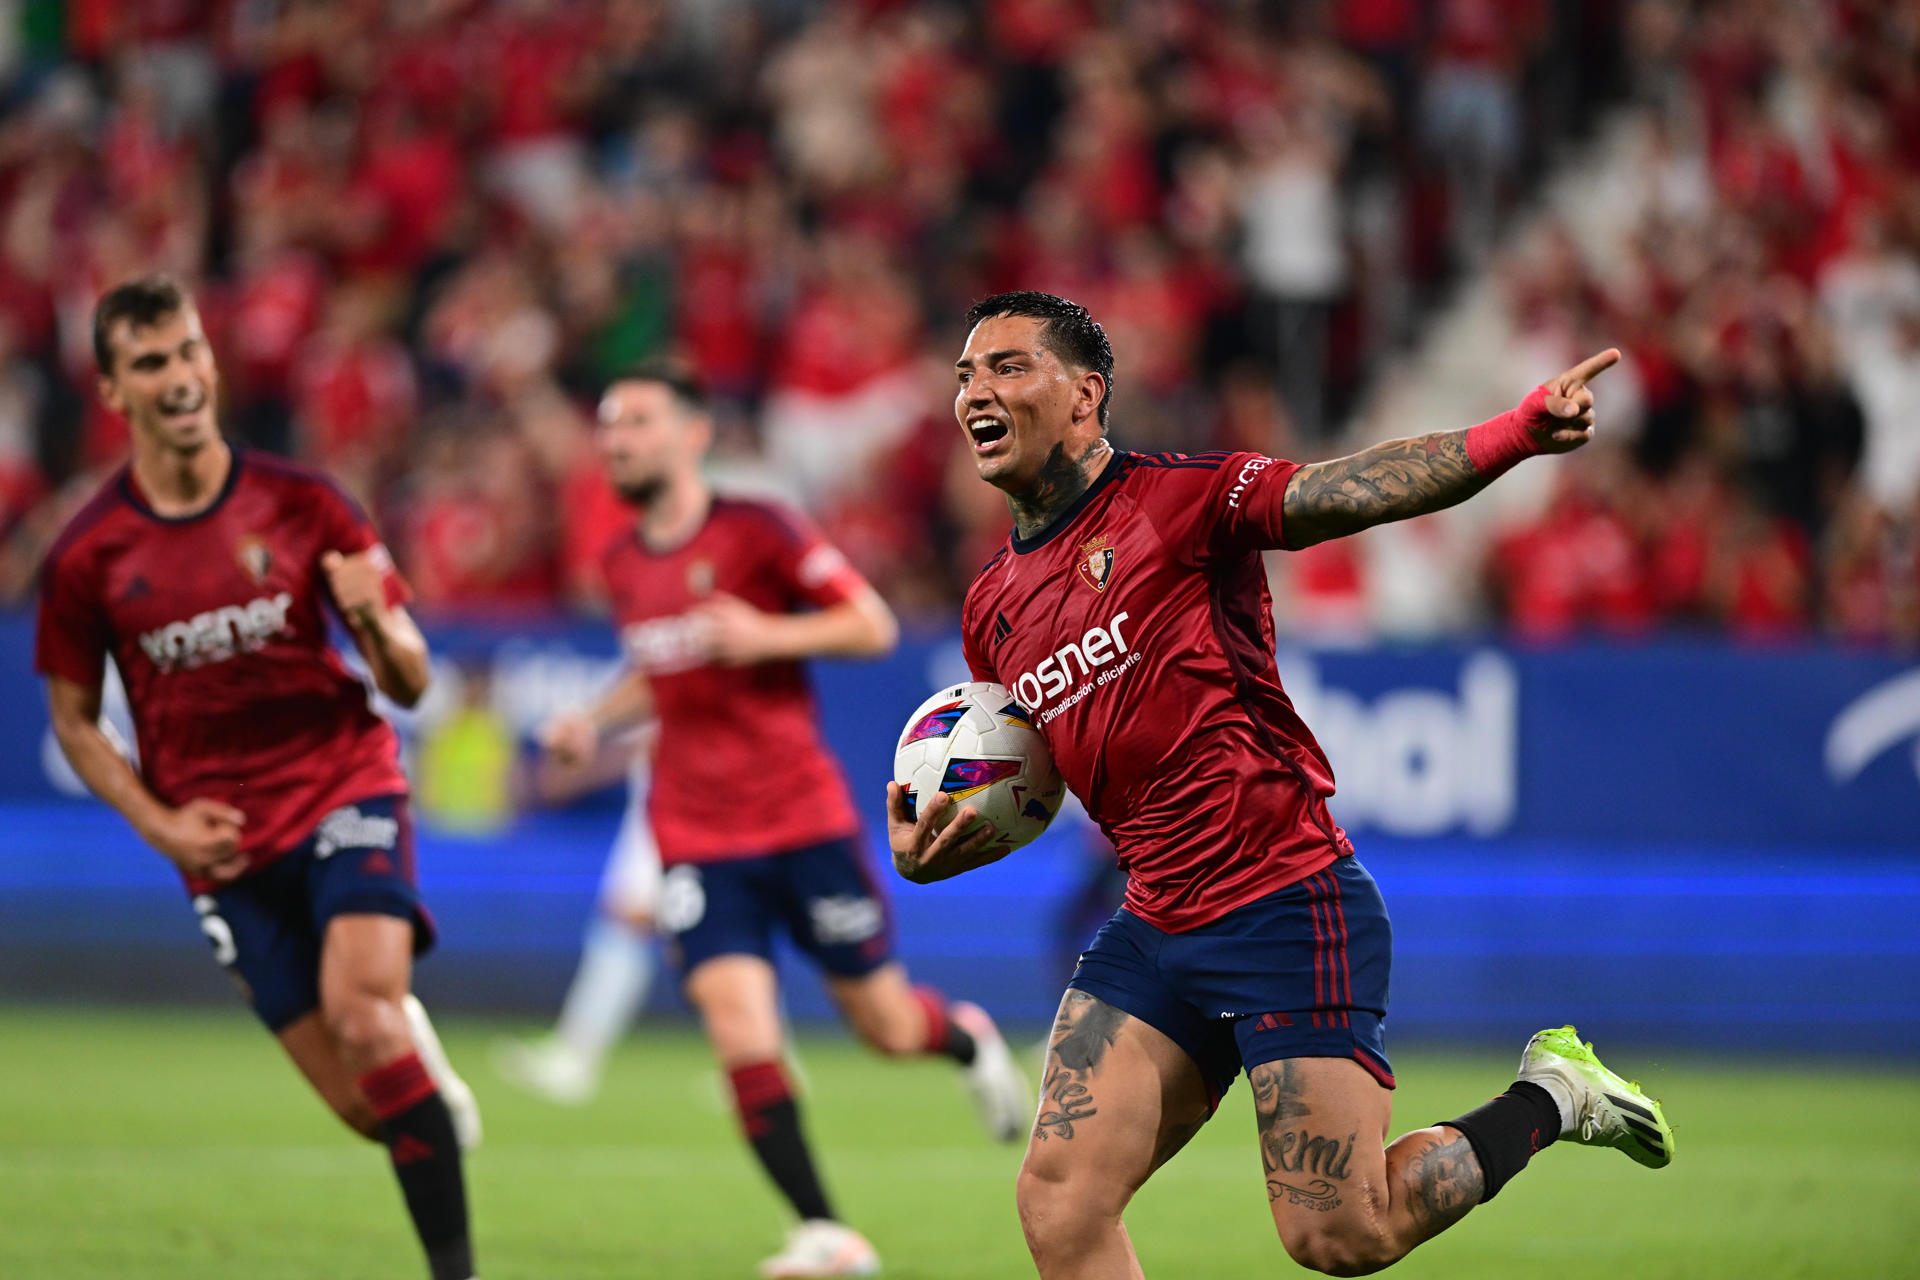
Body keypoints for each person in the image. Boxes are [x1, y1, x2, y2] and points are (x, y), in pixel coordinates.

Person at [888, 291, 1675, 1278]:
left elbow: (1355, 488)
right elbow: (1024, 779)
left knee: (1341, 1234)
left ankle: (1554, 1094)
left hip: (1284, 903)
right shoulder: (993, 607)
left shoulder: (1179, 502)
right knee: (1058, 1200)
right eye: (966, 373)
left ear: (1086, 395)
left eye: (1007, 366)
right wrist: (938, 832)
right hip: (1154, 922)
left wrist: (1513, 433)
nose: (975, 391)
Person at [541, 361, 1032, 1279]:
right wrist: (594, 721)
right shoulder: (620, 560)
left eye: (638, 421)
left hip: (799, 820)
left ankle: (964, 1037)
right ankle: (825, 1231)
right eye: (609, 424)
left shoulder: (756, 529)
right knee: (738, 1028)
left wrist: (769, 635)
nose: (616, 439)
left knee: (885, 1028)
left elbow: (871, 624)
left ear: (692, 435)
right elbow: (664, 662)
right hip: (695, 833)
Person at [34, 276, 481, 1280]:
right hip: (222, 841)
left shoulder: (306, 501)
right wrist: (160, 825)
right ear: (114, 391)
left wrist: (372, 618)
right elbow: (70, 718)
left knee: (364, 1015)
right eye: (151, 361)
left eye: (189, 350)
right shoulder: (89, 555)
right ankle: (418, 1059)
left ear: (212, 361)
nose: (180, 375)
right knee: (374, 1104)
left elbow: (409, 679)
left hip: (342, 785)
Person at [495, 736, 663, 1104]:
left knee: (633, 926)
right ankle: (765, 1055)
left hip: (680, 814)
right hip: (657, 812)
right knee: (647, 929)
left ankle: (576, 1058)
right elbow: (642, 743)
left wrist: (588, 724)